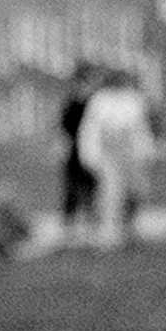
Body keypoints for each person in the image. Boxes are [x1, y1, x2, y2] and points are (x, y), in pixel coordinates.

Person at [78, 68, 156, 250]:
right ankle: (108, 234)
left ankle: (130, 227)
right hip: (108, 153)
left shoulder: (134, 99)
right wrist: (90, 155)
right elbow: (91, 129)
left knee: (136, 191)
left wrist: (146, 151)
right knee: (110, 193)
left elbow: (140, 127)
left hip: (131, 152)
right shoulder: (99, 100)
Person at [57, 62, 99, 243]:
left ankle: (91, 223)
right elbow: (65, 125)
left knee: (92, 186)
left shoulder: (95, 101)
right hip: (76, 149)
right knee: (73, 187)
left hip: (91, 148)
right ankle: (70, 226)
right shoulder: (74, 102)